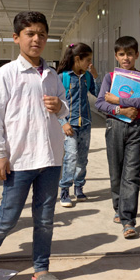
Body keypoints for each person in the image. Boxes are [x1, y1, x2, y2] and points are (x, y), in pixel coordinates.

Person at [0, 11, 68, 280]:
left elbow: (66, 109)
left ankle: (41, 269)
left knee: (45, 218)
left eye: (41, 33)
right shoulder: (7, 74)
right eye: (29, 33)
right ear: (16, 38)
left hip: (50, 158)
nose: (36, 39)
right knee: (7, 217)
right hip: (19, 160)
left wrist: (59, 107)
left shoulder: (51, 74)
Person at [95, 36, 140, 239]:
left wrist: (119, 99)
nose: (126, 58)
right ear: (116, 56)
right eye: (121, 54)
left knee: (132, 174)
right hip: (115, 126)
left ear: (136, 55)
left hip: (136, 127)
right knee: (116, 172)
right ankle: (119, 207)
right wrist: (121, 109)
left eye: (129, 54)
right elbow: (100, 103)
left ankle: (128, 221)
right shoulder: (110, 77)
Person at [56, 42, 98, 207]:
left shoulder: (87, 77)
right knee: (71, 157)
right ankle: (65, 189)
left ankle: (79, 187)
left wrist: (95, 76)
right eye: (88, 60)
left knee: (82, 158)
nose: (90, 63)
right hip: (69, 125)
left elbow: (99, 93)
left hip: (85, 124)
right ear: (77, 59)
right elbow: (55, 104)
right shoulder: (63, 78)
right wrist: (63, 123)